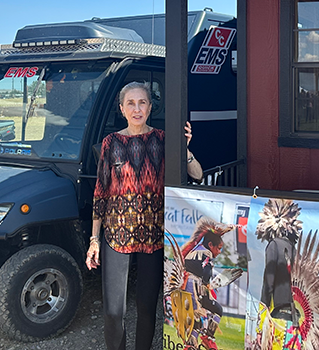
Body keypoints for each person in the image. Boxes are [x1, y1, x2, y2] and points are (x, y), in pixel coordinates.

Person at [85, 81, 203, 350]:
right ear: (122, 108)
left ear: (151, 107)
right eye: (131, 103)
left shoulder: (163, 140)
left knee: (147, 307)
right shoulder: (110, 143)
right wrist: (94, 239)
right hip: (116, 236)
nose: (136, 109)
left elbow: (197, 175)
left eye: (142, 103)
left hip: (152, 238)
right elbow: (101, 192)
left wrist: (184, 149)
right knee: (113, 312)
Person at [180, 217, 234, 350]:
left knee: (209, 314)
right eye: (219, 248)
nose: (220, 252)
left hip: (188, 287)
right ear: (211, 245)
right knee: (204, 316)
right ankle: (200, 342)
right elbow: (206, 272)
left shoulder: (194, 251)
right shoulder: (205, 254)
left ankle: (201, 341)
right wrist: (207, 285)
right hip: (192, 288)